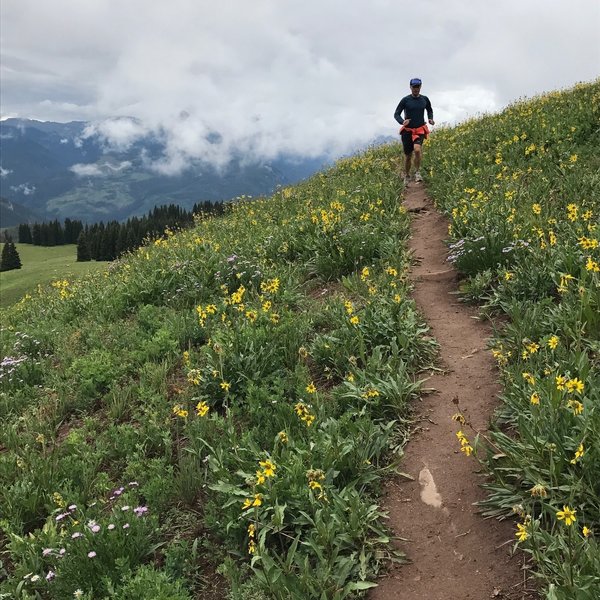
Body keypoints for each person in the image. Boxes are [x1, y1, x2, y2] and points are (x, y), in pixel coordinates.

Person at [394, 77, 434, 184]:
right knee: (408, 156)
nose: (416, 89)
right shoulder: (405, 100)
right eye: (414, 87)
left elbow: (429, 109)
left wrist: (430, 118)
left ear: (420, 87)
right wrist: (402, 121)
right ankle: (407, 175)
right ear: (410, 87)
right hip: (407, 131)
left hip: (420, 130)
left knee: (417, 150)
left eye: (418, 87)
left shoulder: (424, 99)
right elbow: (396, 114)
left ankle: (417, 172)